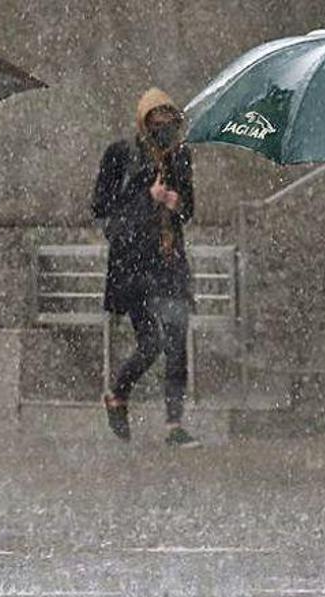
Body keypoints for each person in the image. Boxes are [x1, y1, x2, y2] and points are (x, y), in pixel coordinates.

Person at [92, 88, 199, 448]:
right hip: (134, 264)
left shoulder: (180, 157)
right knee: (151, 342)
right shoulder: (121, 154)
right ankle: (118, 392)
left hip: (168, 262)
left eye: (170, 122)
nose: (164, 130)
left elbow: (189, 208)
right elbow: (102, 207)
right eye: (157, 122)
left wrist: (175, 202)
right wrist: (146, 200)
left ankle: (174, 423)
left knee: (176, 340)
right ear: (144, 123)